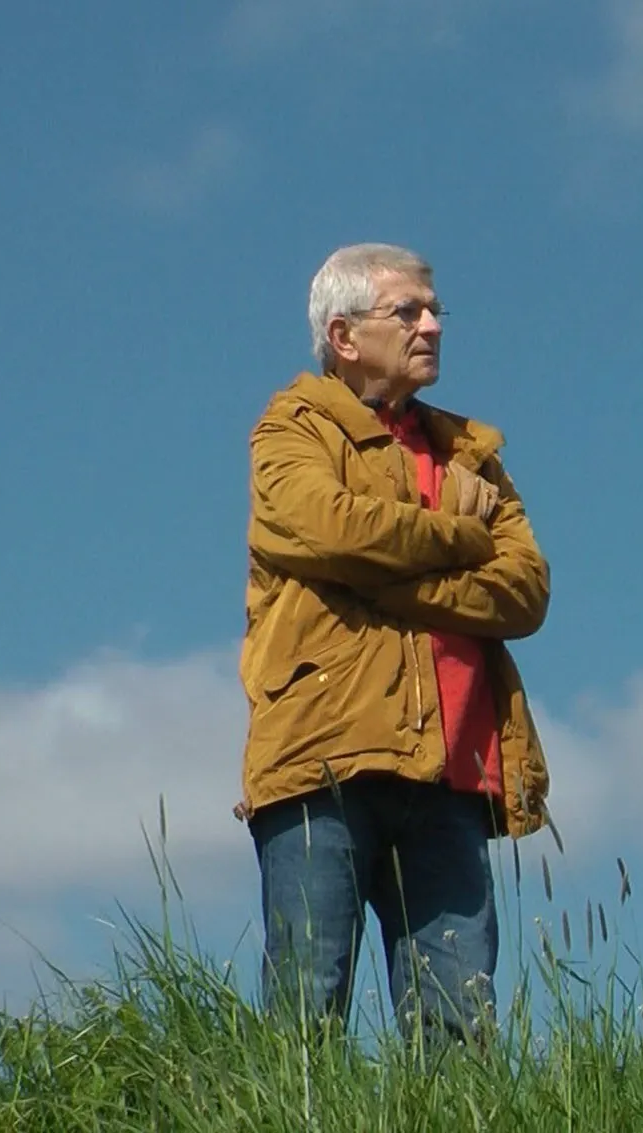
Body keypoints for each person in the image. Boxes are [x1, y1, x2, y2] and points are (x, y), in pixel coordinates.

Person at [238, 242, 552, 1041]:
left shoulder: (469, 451)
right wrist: (457, 528)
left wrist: (386, 573)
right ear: (344, 335)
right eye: (407, 311)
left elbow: (525, 590)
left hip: (454, 773)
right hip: (324, 758)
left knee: (460, 1035)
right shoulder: (292, 427)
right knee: (305, 1019)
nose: (431, 326)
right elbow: (329, 527)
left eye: (434, 310)